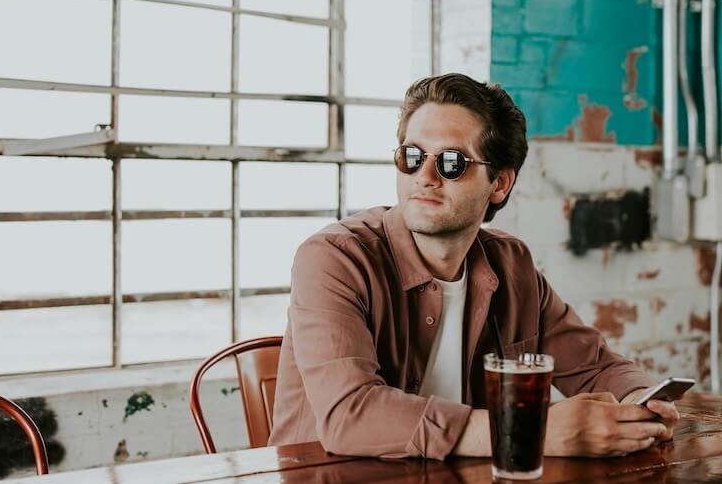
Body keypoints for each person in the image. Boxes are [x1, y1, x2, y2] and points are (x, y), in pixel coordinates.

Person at [267, 73, 679, 459]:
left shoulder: (511, 264)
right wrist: (529, 432)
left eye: (451, 162)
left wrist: (641, 404)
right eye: (412, 156)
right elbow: (350, 415)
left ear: (499, 183)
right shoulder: (334, 258)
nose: (425, 176)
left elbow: (596, 367)